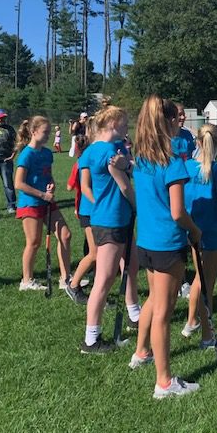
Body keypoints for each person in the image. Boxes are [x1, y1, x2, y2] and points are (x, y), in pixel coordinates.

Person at [131, 95, 202, 398]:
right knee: (164, 310)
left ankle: (141, 351)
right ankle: (164, 382)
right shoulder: (172, 163)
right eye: (176, 119)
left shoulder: (141, 160)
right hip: (167, 243)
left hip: (146, 242)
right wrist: (195, 230)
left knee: (152, 301)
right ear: (169, 122)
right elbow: (177, 212)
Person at [79, 106, 140, 353]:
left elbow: (130, 166)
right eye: (124, 123)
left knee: (131, 265)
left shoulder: (105, 148)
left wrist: (129, 163)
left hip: (119, 217)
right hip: (111, 219)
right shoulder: (106, 152)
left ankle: (134, 314)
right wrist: (139, 206)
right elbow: (125, 187)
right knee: (104, 279)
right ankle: (91, 339)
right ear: (113, 124)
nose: (127, 128)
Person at [182, 124, 217, 347]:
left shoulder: (186, 167)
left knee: (199, 277)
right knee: (208, 282)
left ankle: (191, 321)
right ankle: (208, 335)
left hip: (192, 228)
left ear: (197, 142)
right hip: (212, 231)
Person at [14, 116, 71, 291]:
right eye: (45, 132)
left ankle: (65, 279)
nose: (48, 135)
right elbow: (19, 183)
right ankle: (26, 281)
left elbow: (48, 175)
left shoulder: (47, 153)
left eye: (49, 132)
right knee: (34, 242)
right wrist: (42, 194)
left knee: (65, 235)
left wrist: (51, 184)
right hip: (30, 203)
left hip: (46, 201)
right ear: (33, 132)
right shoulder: (26, 155)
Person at [65, 131, 94, 305]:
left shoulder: (82, 161)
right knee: (94, 252)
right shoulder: (82, 163)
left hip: (89, 207)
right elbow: (70, 187)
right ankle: (74, 284)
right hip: (86, 207)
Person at [0, 109, 17, 216]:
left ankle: (11, 206)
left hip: (5, 161)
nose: (3, 119)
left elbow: (17, 143)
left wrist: (13, 156)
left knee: (8, 184)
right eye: (1, 117)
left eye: (4, 117)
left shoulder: (9, 129)